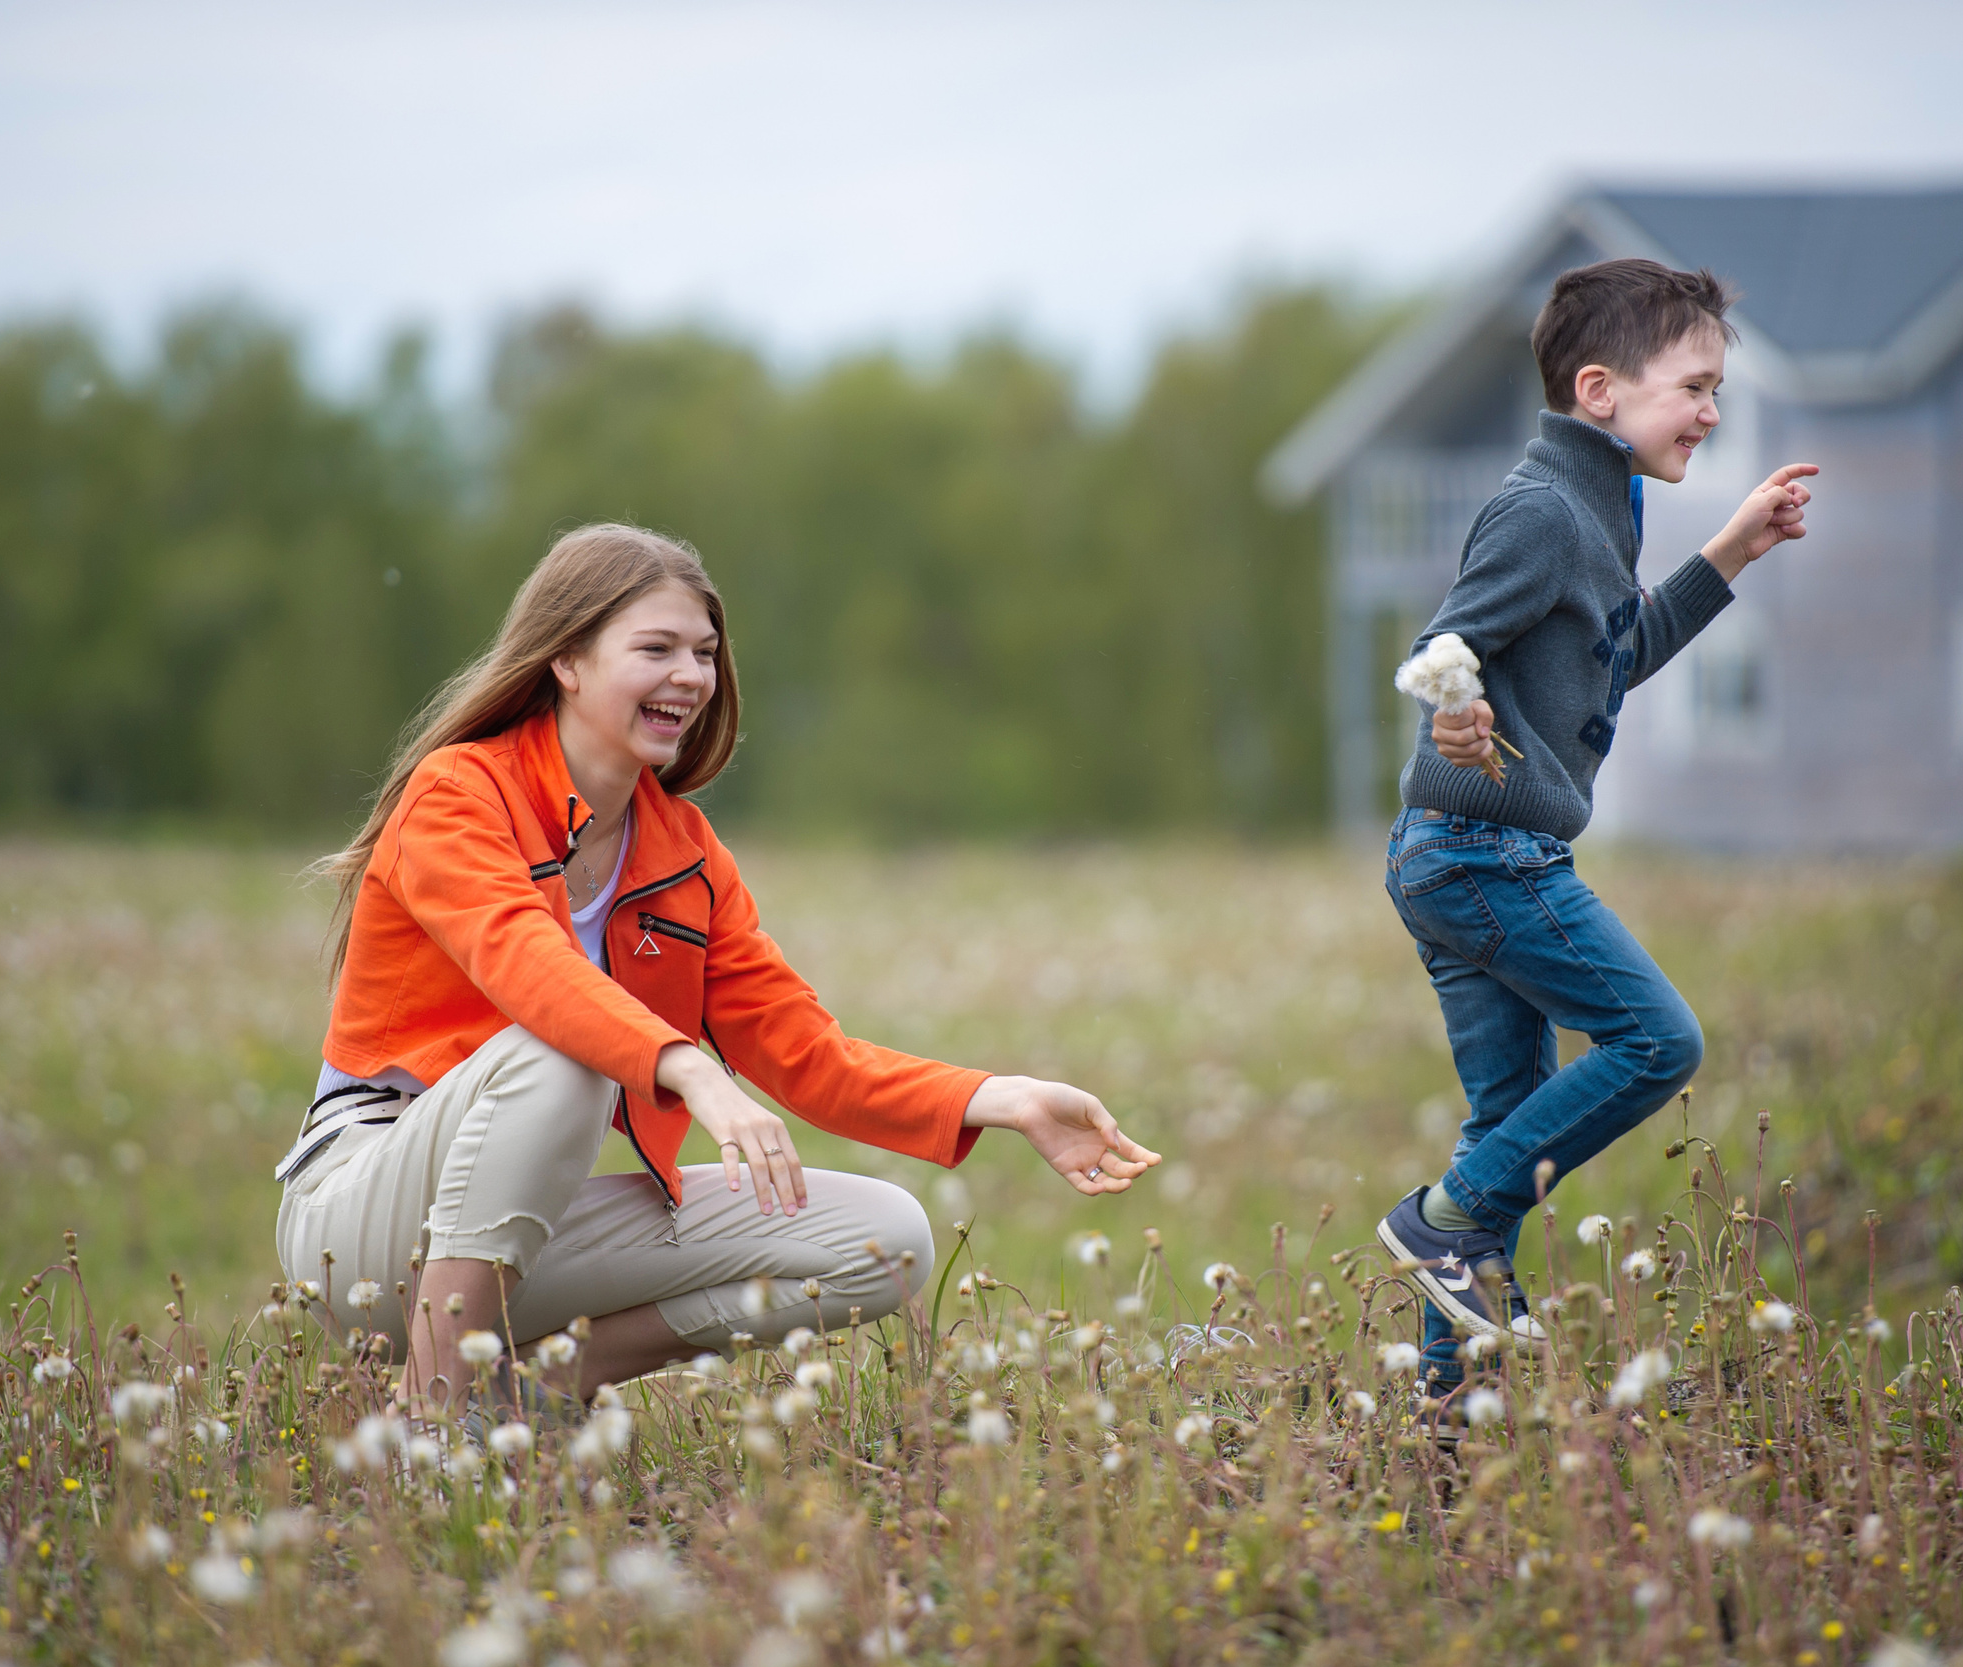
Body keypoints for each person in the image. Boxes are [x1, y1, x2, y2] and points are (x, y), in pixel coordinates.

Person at [279, 523, 1160, 1414]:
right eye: (655, 648)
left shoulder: (686, 855)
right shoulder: (458, 792)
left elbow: (806, 1053)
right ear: (567, 662)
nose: (690, 676)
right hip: (359, 1223)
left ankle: (528, 1396)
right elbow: (529, 967)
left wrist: (1000, 1098)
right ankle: (434, 1422)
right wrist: (685, 1065)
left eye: (703, 652)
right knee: (564, 1050)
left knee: (888, 1241)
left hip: (513, 1232)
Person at [1376, 259, 1818, 1403]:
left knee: (1503, 1126)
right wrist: (1462, 718)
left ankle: (1449, 1421)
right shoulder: (1540, 509)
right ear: (1599, 390)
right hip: (1480, 854)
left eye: (1716, 387)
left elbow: (1613, 657)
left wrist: (1731, 548)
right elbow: (1441, 648)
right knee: (1657, 1041)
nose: (1712, 411)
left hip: (1468, 855)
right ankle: (1443, 1223)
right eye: (1693, 386)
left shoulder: (1597, 503)